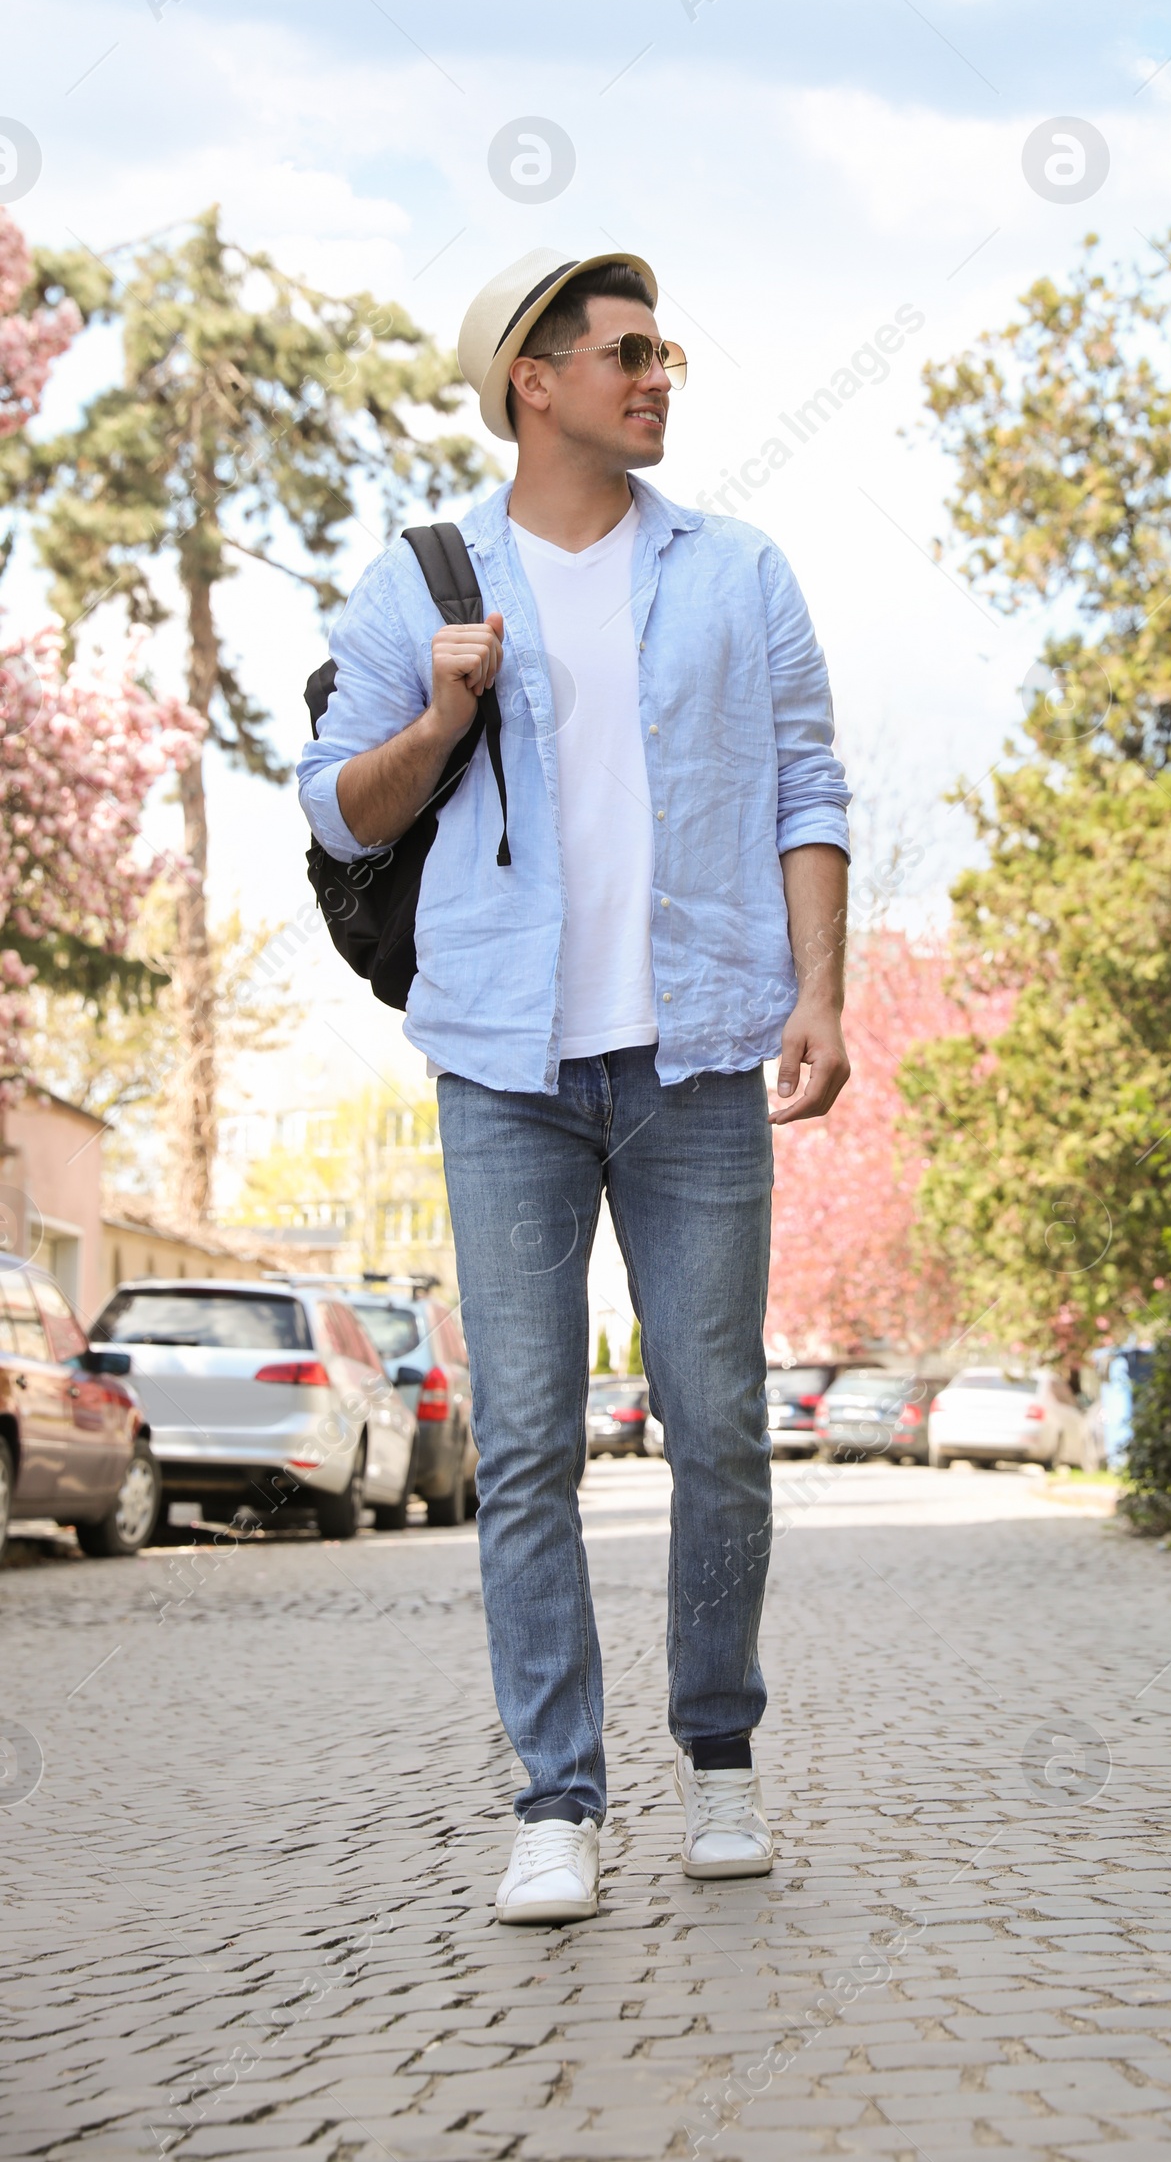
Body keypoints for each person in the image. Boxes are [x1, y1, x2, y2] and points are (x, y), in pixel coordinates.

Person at [297, 246, 851, 1923]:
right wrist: (444, 704)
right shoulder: (422, 582)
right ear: (533, 383)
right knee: (530, 1446)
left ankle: (725, 1761)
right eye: (627, 352)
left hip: (694, 1063)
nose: (659, 375)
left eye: (667, 350)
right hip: (503, 1067)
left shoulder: (742, 572)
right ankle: (557, 1797)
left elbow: (810, 782)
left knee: (723, 1430)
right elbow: (341, 810)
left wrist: (819, 992)